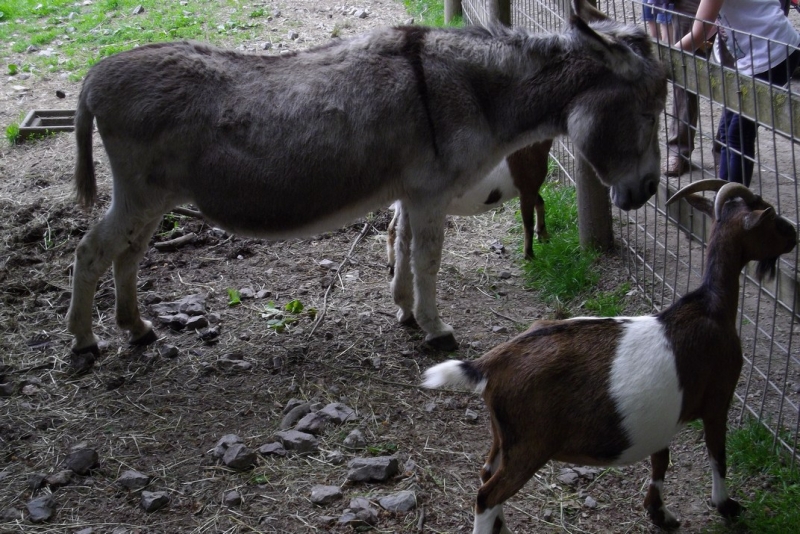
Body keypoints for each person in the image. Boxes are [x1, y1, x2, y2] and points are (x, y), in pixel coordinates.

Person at [675, 0, 800, 186]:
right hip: (755, 58)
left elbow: (699, 34)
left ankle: (735, 203)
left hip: (774, 55)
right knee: (728, 131)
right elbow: (708, 26)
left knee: (739, 133)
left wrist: (664, 55)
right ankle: (724, 198)